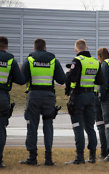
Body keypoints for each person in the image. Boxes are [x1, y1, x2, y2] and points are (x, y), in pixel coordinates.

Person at [20, 38, 66, 166]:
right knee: (48, 126)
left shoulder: (29, 60)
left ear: (35, 48)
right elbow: (62, 80)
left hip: (33, 96)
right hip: (49, 97)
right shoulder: (53, 61)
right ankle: (48, 158)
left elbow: (22, 79)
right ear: (45, 47)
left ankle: (32, 158)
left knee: (32, 126)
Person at [65, 39, 102, 165]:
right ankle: (92, 157)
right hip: (91, 96)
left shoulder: (77, 61)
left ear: (76, 49)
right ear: (86, 47)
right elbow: (100, 80)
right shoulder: (95, 62)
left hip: (79, 96)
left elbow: (71, 78)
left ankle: (79, 157)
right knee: (90, 128)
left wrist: (69, 73)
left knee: (78, 127)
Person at [0, 36, 25, 168]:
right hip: (2, 97)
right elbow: (21, 80)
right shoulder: (10, 59)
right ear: (6, 46)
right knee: (1, 130)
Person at [95, 48, 109, 159]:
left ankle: (104, 151)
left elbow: (101, 85)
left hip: (100, 100)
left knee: (100, 126)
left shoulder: (102, 66)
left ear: (99, 56)